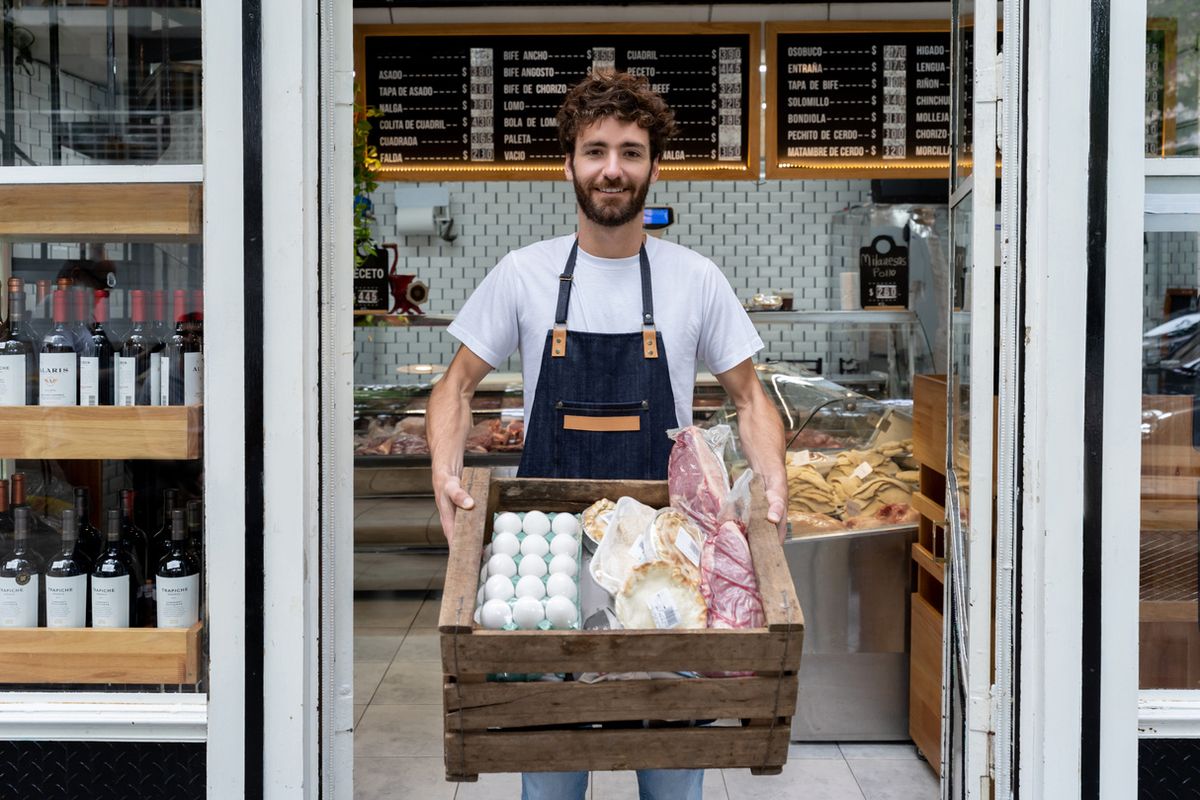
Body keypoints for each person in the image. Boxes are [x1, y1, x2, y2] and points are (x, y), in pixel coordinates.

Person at [427, 71, 787, 800]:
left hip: (667, 559)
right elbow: (454, 387)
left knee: (672, 770)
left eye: (630, 151)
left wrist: (773, 479)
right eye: (595, 151)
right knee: (551, 773)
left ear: (653, 166)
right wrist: (445, 472)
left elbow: (751, 398)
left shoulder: (694, 279)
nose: (612, 169)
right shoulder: (524, 274)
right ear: (569, 164)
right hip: (549, 555)